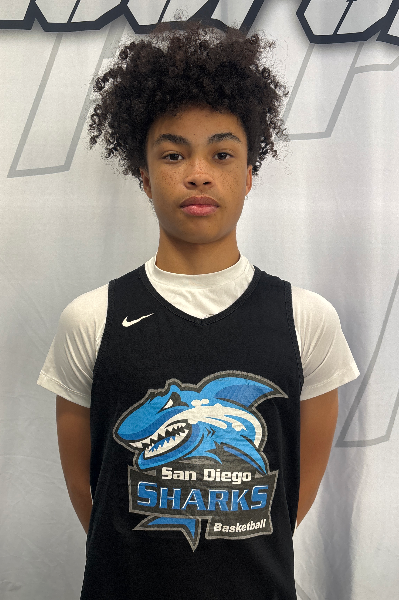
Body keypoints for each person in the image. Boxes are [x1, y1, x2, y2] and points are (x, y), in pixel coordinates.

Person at [37, 21, 359, 600]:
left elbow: (291, 498)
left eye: (222, 153)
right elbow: (93, 492)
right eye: (173, 154)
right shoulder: (89, 318)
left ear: (249, 175)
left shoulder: (307, 319)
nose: (199, 173)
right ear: (144, 177)